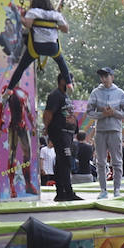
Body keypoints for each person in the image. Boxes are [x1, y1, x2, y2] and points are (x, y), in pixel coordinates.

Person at [7, 0, 72, 90]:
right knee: (61, 62)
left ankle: (9, 89)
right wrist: (57, 26)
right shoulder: (56, 15)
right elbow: (65, 29)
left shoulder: (33, 12)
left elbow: (28, 25)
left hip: (37, 47)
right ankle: (69, 83)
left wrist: (20, 17)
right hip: (52, 47)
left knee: (21, 67)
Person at [86, 67, 124, 199]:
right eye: (102, 76)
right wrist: (102, 114)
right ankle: (103, 190)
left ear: (112, 77)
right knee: (100, 162)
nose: (104, 79)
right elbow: (89, 112)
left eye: (106, 76)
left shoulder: (120, 93)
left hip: (115, 130)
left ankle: (117, 189)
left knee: (117, 161)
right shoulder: (95, 92)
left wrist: (114, 113)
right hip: (100, 131)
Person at [43, 72, 82, 201]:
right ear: (63, 81)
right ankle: (68, 192)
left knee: (61, 162)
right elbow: (48, 113)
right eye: (70, 81)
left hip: (67, 134)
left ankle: (60, 193)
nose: (72, 84)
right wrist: (46, 127)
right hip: (59, 133)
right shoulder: (55, 95)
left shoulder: (65, 96)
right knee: (65, 161)